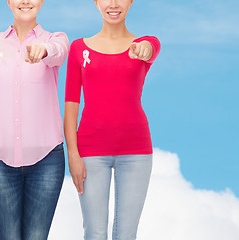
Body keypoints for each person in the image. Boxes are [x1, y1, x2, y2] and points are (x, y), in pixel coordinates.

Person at [0, 0, 69, 239]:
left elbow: (58, 53)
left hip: (46, 161)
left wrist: (43, 50)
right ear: (9, 2)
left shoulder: (56, 39)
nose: (25, 1)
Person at [64, 0, 161, 239]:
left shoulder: (143, 45)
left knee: (126, 234)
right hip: (90, 153)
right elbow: (71, 107)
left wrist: (145, 49)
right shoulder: (78, 49)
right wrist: (73, 155)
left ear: (130, 2)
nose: (113, 4)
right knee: (94, 233)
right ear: (96, 3)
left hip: (136, 152)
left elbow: (151, 48)